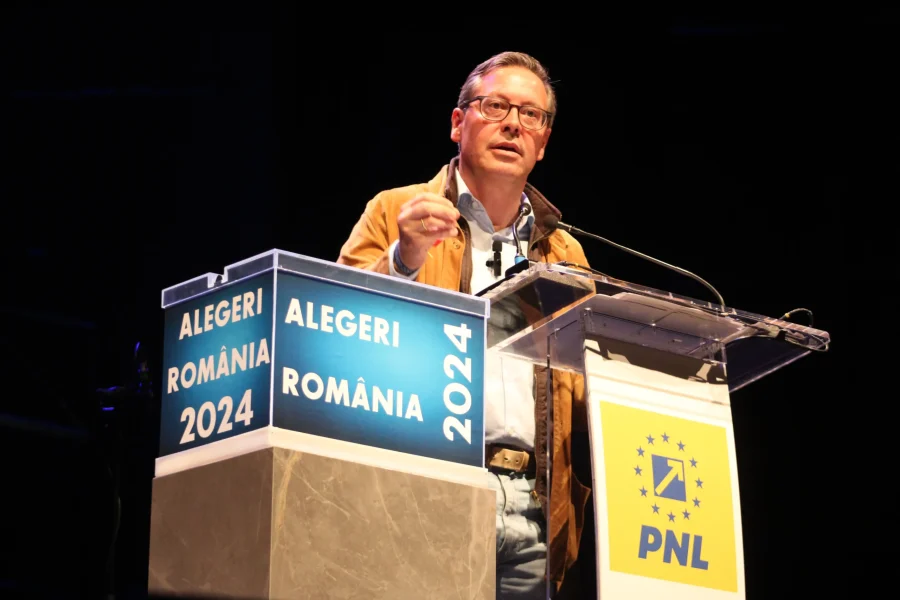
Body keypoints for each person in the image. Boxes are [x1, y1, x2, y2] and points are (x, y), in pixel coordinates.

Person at [337, 51, 592, 599]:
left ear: (543, 142)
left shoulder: (565, 253)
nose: (512, 124)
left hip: (534, 507)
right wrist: (402, 259)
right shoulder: (397, 212)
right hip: (423, 492)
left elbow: (586, 386)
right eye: (495, 105)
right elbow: (337, 333)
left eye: (531, 115)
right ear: (458, 123)